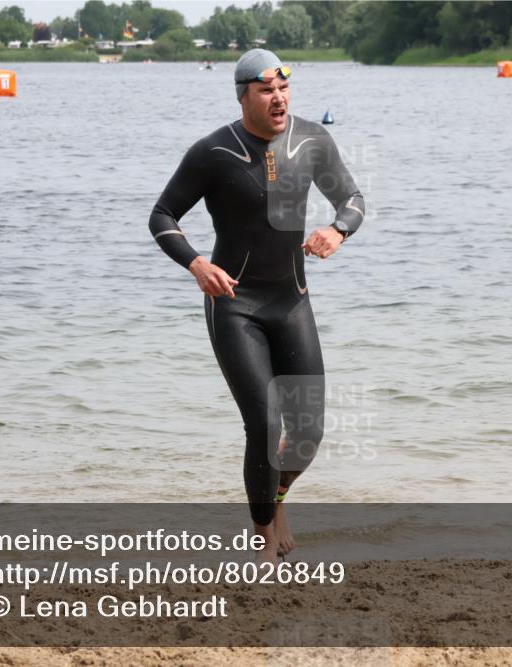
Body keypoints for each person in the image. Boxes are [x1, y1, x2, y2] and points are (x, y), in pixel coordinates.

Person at [148, 48, 365, 565]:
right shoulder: (213, 152)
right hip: (235, 304)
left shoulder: (313, 140)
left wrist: (338, 230)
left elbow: (353, 200)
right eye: (266, 90)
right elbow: (162, 215)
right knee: (266, 424)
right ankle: (263, 533)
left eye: (284, 89)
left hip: (291, 301)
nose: (278, 98)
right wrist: (196, 264)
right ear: (243, 95)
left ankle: (277, 499)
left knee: (307, 434)